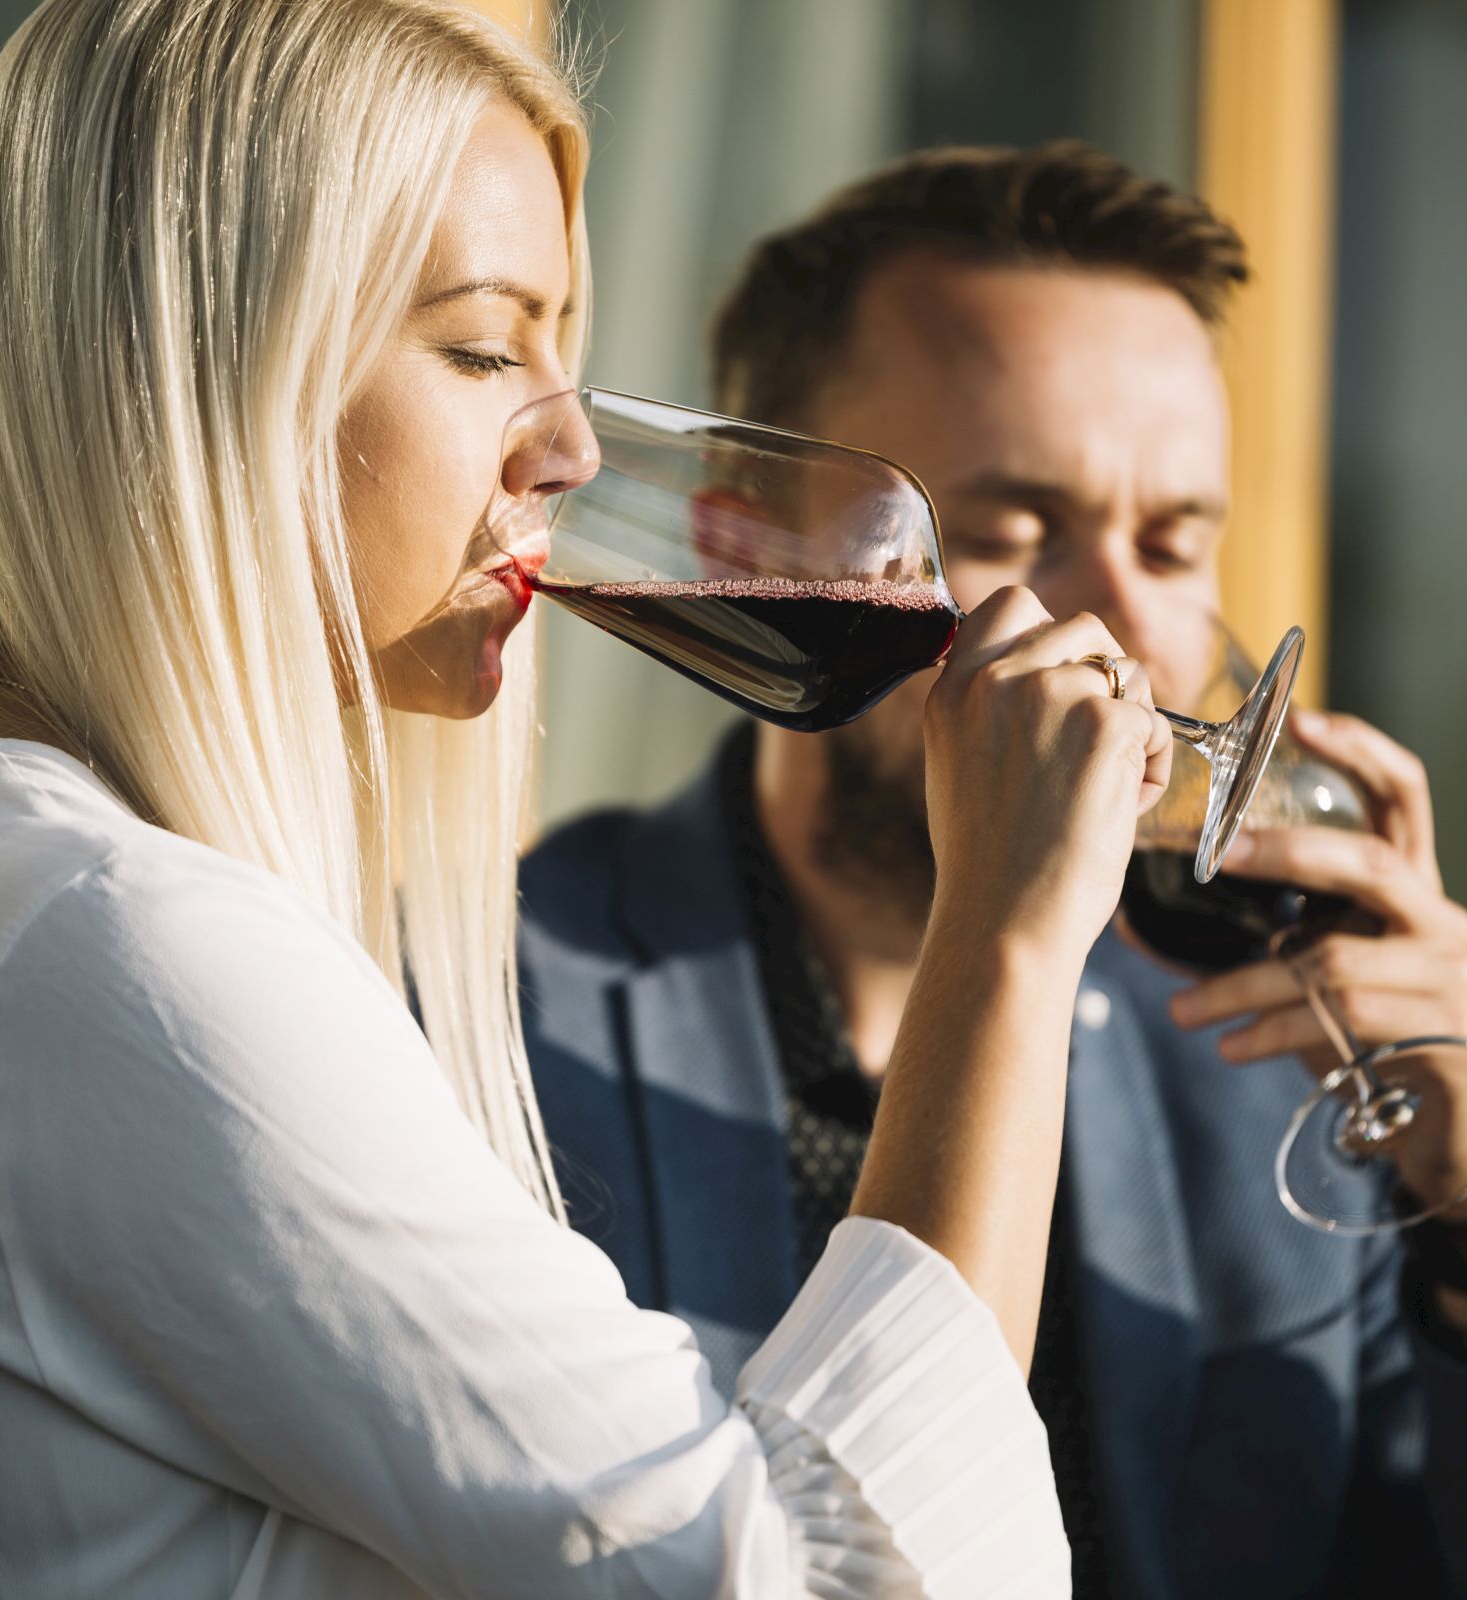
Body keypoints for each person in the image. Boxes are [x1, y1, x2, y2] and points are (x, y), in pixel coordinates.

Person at [0, 4, 1185, 1596]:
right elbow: (830, 1577)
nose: (573, 449)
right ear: (190, 357)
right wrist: (1010, 941)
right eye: (483, 348)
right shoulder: (117, 947)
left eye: (569, 357)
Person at [519, 143, 1467, 1599]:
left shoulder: (1263, 1052)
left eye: (1175, 539)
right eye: (1013, 532)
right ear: (743, 540)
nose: (1130, 622)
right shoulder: (491, 1004)